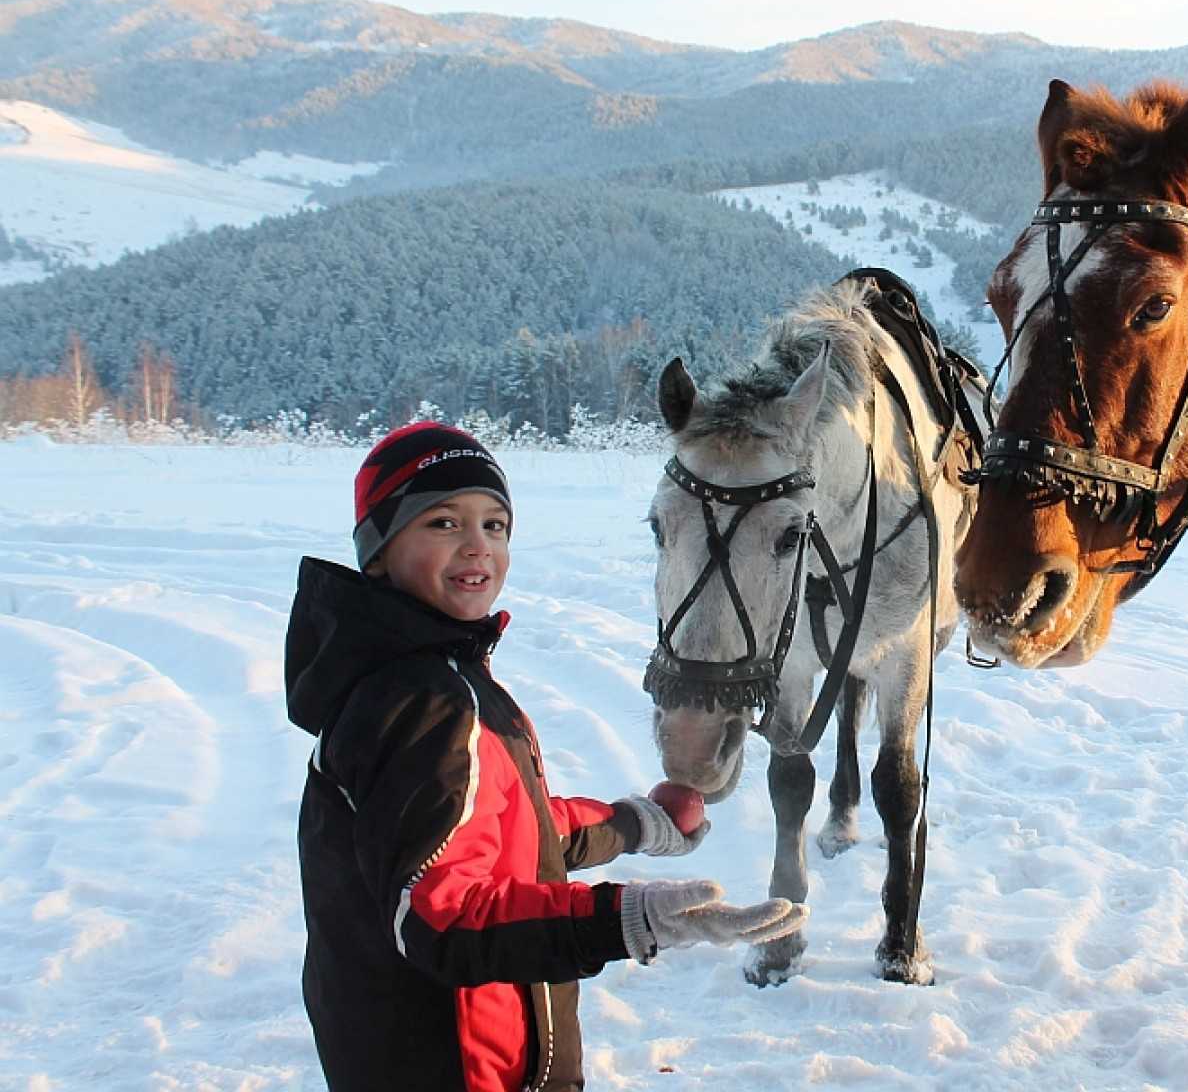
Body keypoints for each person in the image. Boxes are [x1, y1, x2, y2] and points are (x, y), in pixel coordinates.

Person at [286, 422, 807, 1091]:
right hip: (458, 1068)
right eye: (443, 522)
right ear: (379, 550)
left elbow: (501, 831)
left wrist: (632, 825)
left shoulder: (439, 676)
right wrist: (624, 920)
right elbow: (441, 917)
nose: (479, 546)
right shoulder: (420, 705)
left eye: (495, 524)